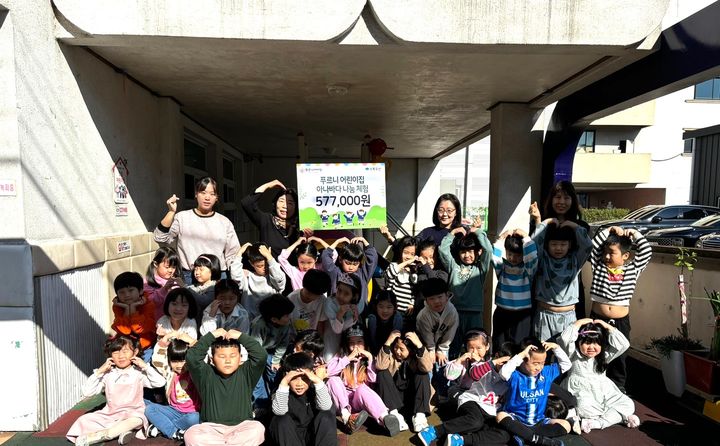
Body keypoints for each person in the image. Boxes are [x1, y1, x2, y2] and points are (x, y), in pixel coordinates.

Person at [67, 335, 165, 445]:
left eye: (125, 351)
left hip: (134, 413)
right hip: (110, 415)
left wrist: (146, 367)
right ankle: (123, 431)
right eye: (116, 352)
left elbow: (160, 382)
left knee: (138, 420)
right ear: (110, 355)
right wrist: (99, 371)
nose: (121, 356)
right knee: (84, 420)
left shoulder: (139, 373)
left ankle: (100, 436)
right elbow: (87, 392)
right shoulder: (107, 374)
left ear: (135, 352)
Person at [419, 330, 512, 446]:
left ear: (487, 347)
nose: (474, 352)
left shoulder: (491, 363)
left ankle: (459, 439)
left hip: (482, 400)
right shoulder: (466, 361)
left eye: (479, 348)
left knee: (490, 427)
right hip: (462, 393)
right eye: (471, 348)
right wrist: (459, 360)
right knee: (475, 420)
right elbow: (450, 375)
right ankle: (434, 431)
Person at [588, 226, 652, 392]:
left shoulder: (633, 269)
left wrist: (635, 234)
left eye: (612, 253)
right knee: (594, 350)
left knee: (620, 354)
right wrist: (608, 231)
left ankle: (618, 386)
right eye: (606, 252)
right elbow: (593, 247)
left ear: (625, 256)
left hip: (620, 321)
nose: (607, 256)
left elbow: (646, 252)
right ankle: (594, 383)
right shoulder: (599, 266)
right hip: (598, 319)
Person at [182, 328, 267, 446]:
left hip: (241, 427)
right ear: (212, 360)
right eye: (222, 356)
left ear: (240, 358)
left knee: (258, 429)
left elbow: (261, 355)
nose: (228, 361)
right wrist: (212, 335)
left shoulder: (246, 373)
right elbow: (192, 358)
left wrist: (241, 336)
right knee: (191, 435)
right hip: (211, 429)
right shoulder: (205, 374)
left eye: (232, 356)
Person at [557, 319, 640, 433]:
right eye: (587, 343)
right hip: (580, 391)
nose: (591, 347)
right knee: (586, 410)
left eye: (596, 343)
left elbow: (623, 344)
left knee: (628, 404)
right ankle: (618, 417)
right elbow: (564, 339)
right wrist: (579, 323)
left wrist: (607, 327)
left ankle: (597, 423)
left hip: (604, 390)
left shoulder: (603, 357)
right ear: (578, 342)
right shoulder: (573, 355)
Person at [154, 176, 240, 283]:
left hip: (218, 276)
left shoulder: (224, 222)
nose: (207, 197)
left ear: (216, 197)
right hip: (190, 276)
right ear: (196, 194)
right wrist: (171, 212)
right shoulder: (182, 218)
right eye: (203, 193)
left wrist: (237, 277)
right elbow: (160, 238)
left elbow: (233, 254)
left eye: (212, 194)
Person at [325, 325, 402, 437]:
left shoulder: (368, 358)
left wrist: (370, 358)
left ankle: (385, 419)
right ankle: (348, 419)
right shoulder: (341, 357)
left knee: (362, 388)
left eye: (359, 341)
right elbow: (328, 372)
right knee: (333, 380)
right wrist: (347, 359)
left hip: (358, 402)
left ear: (365, 342)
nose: (356, 346)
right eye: (352, 343)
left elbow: (373, 380)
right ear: (346, 344)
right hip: (342, 403)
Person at [529, 181, 591, 319]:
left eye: (567, 197)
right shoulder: (543, 223)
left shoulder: (581, 226)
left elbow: (587, 248)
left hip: (569, 293)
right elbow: (534, 250)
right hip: (545, 294)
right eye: (557, 197)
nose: (561, 202)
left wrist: (573, 226)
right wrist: (539, 221)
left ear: (573, 200)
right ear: (551, 199)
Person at [496, 338, 572, 446]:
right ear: (523, 360)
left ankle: (524, 436)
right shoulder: (515, 375)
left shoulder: (546, 373)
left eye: (542, 363)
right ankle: (538, 440)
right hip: (516, 420)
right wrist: (521, 355)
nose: (539, 367)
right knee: (500, 416)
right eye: (535, 363)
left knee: (566, 425)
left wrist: (556, 347)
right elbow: (503, 372)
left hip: (538, 421)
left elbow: (567, 365)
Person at [531, 219, 592, 341]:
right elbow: (533, 244)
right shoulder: (542, 259)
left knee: (565, 355)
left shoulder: (575, 261)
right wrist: (546, 222)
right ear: (547, 244)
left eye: (563, 244)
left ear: (569, 245)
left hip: (568, 317)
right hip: (544, 316)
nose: (558, 248)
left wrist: (574, 226)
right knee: (543, 355)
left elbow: (588, 245)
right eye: (554, 244)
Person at [439, 227, 492, 356]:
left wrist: (478, 232)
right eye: (463, 252)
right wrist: (451, 234)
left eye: (471, 251)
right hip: (454, 312)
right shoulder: (453, 265)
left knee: (475, 345)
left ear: (477, 252)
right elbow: (442, 250)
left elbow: (489, 250)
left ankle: (474, 372)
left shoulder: (480, 268)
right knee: (453, 346)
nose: (467, 255)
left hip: (474, 313)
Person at [267, 352, 337, 446]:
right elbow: (279, 411)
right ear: (286, 376)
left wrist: (317, 380)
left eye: (304, 378)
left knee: (327, 415)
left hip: (312, 435)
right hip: (289, 438)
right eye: (294, 378)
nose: (299, 384)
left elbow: (325, 406)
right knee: (280, 420)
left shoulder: (314, 389)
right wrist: (284, 382)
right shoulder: (281, 391)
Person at [373, 331, 433, 433]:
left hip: (414, 399)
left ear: (411, 350)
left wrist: (419, 345)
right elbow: (379, 365)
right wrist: (388, 342)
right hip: (395, 400)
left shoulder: (415, 358)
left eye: (402, 349)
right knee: (382, 372)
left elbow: (427, 367)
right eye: (396, 348)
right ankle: (395, 415)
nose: (398, 352)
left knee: (423, 374)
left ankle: (419, 416)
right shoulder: (391, 356)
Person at [491, 229, 538, 351]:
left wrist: (526, 237)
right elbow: (494, 256)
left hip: (522, 315)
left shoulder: (527, 270)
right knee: (499, 345)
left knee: (520, 346)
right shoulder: (502, 268)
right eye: (510, 254)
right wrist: (501, 238)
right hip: (502, 312)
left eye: (518, 255)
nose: (513, 258)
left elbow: (532, 257)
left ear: (523, 254)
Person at [146, 335, 201, 441]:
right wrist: (163, 341)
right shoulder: (170, 373)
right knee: (150, 409)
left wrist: (192, 341)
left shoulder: (195, 372)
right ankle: (173, 432)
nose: (179, 365)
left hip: (193, 412)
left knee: (195, 418)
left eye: (183, 360)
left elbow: (204, 357)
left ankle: (162, 428)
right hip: (174, 410)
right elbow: (157, 361)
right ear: (170, 361)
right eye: (175, 361)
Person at [249, 294, 295, 409]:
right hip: (257, 352)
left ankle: (274, 396)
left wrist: (276, 360)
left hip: (273, 350)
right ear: (274, 319)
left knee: (274, 372)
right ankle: (260, 404)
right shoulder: (258, 325)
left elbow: (283, 343)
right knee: (257, 378)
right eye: (286, 315)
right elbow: (255, 346)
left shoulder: (286, 324)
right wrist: (259, 363)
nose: (289, 317)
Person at [241, 179, 302, 258]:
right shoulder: (266, 220)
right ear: (275, 203)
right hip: (268, 269)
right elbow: (247, 203)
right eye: (281, 201)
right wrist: (268, 185)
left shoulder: (300, 226)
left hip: (292, 270)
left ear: (296, 206)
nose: (284, 206)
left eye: (290, 203)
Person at [318, 236, 378, 314]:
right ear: (340, 259)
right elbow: (326, 257)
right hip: (337, 314)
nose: (351, 267)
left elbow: (373, 258)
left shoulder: (363, 274)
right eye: (348, 263)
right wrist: (337, 242)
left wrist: (364, 241)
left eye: (355, 264)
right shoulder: (335, 272)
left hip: (359, 315)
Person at [230, 243, 286, 321]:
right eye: (260, 266)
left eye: (267, 264)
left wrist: (270, 257)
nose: (264, 268)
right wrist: (239, 253)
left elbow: (279, 279)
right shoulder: (247, 277)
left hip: (271, 321)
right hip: (250, 321)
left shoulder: (273, 277)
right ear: (251, 263)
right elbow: (235, 276)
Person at [111, 272, 156, 361]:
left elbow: (139, 328)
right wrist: (128, 309)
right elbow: (125, 331)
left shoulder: (148, 305)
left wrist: (133, 309)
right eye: (122, 292)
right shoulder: (118, 306)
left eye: (131, 290)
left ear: (140, 291)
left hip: (145, 348)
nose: (127, 295)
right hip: (125, 348)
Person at [415, 278, 459, 368]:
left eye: (440, 297)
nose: (436, 301)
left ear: (447, 296)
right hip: (427, 344)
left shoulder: (452, 311)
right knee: (428, 364)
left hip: (444, 343)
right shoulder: (423, 315)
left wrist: (441, 350)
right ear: (426, 300)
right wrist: (431, 349)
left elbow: (450, 332)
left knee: (443, 363)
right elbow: (426, 334)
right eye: (432, 299)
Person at [323, 273, 362, 360]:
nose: (340, 296)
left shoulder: (358, 305)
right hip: (331, 339)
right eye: (339, 291)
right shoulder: (330, 303)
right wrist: (340, 314)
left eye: (346, 294)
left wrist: (353, 317)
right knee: (329, 361)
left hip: (349, 341)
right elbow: (337, 330)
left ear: (355, 296)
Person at [383, 236, 420, 325]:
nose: (408, 257)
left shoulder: (414, 272)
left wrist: (412, 303)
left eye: (412, 254)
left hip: (407, 313)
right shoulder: (394, 266)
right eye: (406, 252)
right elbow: (390, 274)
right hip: (392, 311)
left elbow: (414, 291)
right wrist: (407, 263)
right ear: (400, 251)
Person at [144, 246, 183, 321]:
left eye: (173, 267)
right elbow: (150, 302)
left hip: (172, 324)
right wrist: (164, 289)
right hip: (152, 324)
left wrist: (184, 288)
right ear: (156, 264)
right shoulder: (146, 282)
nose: (171, 270)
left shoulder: (175, 282)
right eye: (167, 267)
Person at [287, 269, 331, 333]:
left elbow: (320, 323)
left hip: (311, 339)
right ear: (303, 285)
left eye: (315, 295)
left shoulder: (322, 300)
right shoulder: (291, 299)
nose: (310, 297)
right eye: (308, 292)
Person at [366, 290, 403, 355]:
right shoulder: (372, 318)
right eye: (381, 307)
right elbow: (372, 343)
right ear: (376, 307)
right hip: (375, 352)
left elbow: (396, 341)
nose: (385, 310)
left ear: (395, 307)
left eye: (389, 307)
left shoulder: (397, 318)